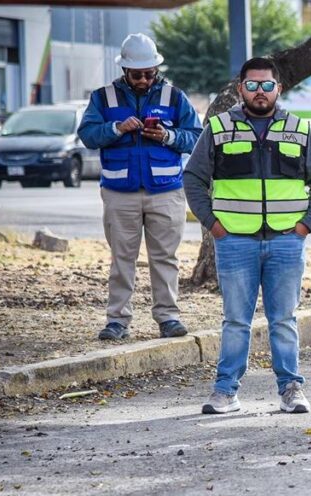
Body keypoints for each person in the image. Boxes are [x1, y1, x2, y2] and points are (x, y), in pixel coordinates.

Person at [183, 56, 311, 415]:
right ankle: (225, 392)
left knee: (284, 320)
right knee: (235, 320)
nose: (260, 92)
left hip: (285, 241)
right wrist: (215, 226)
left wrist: (304, 226)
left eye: (267, 85)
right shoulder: (218, 128)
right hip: (235, 242)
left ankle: (291, 389)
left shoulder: (299, 129)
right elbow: (194, 179)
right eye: (252, 85)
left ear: (278, 89)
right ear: (240, 89)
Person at [78, 33, 201, 342]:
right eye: (138, 74)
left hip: (166, 191)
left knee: (165, 258)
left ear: (156, 69)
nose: (144, 79)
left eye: (149, 73)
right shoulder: (102, 97)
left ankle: (168, 317)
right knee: (122, 258)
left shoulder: (174, 97)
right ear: (125, 71)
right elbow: (89, 135)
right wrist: (116, 128)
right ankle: (117, 320)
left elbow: (196, 137)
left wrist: (168, 136)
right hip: (120, 193)